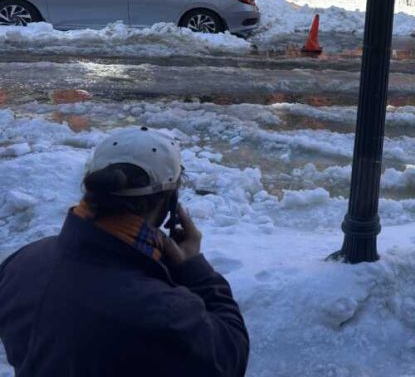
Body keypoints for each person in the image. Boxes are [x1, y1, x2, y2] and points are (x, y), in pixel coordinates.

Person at [0, 127, 249, 376]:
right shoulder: (162, 311)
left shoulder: (21, 261)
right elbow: (230, 356)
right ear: (170, 202)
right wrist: (194, 268)